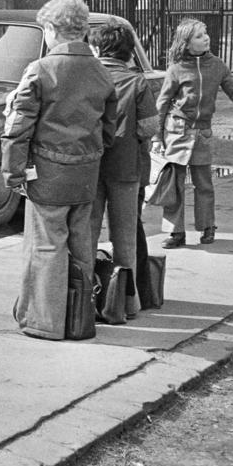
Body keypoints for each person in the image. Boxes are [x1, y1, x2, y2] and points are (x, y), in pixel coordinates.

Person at [1, 0, 120, 340]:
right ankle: (79, 320)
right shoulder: (101, 71)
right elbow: (109, 128)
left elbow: (17, 126)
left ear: (52, 29)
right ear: (82, 30)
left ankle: (44, 322)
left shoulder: (40, 70)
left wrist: (13, 172)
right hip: (86, 173)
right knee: (82, 244)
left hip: (48, 175)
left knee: (46, 245)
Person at [152, 18, 233, 248]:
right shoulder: (176, 69)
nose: (206, 38)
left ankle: (207, 226)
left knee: (204, 183)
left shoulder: (218, 65)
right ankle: (176, 232)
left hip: (202, 133)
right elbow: (162, 104)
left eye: (206, 34)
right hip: (178, 131)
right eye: (200, 36)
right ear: (187, 43)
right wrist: (156, 136)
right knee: (175, 184)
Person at [88, 22, 159, 323]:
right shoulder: (137, 82)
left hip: (90, 167)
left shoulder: (88, 79)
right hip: (127, 167)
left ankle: (86, 300)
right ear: (128, 50)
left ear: (98, 48)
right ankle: (127, 303)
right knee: (125, 238)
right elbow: (149, 127)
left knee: (87, 234)